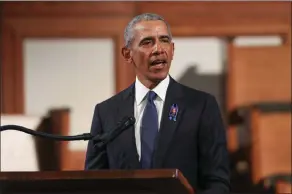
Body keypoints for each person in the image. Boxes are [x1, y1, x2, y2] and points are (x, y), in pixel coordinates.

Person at [85, 13, 230, 194]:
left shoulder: (201, 106)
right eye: (147, 42)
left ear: (172, 49)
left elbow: (218, 182)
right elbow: (93, 183)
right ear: (127, 54)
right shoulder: (106, 112)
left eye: (164, 40)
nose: (158, 49)